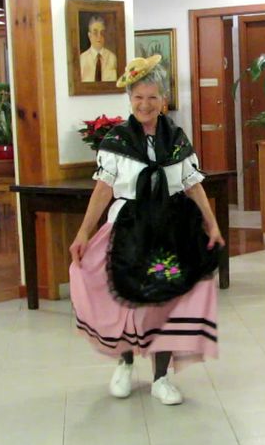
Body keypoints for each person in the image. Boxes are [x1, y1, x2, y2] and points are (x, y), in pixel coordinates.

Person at [69, 54, 225, 406]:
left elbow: (192, 184)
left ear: (163, 101)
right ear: (129, 100)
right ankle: (124, 364)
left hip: (170, 231)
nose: (145, 103)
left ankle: (161, 378)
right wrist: (83, 232)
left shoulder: (177, 139)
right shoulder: (117, 140)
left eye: (152, 97)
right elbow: (104, 188)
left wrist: (211, 223)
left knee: (166, 302)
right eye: (138, 97)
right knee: (124, 300)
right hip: (126, 230)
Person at [79, 15, 118, 82]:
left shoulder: (113, 58)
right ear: (89, 35)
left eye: (102, 32)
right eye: (95, 32)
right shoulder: (81, 60)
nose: (99, 36)